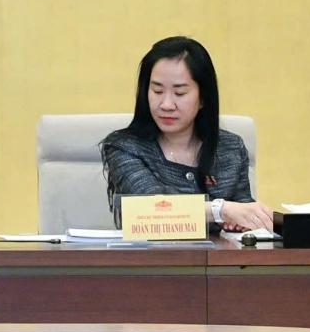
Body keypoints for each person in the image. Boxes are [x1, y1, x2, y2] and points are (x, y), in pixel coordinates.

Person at [100, 36, 272, 233]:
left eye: (179, 93)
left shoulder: (230, 148)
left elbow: (243, 214)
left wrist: (244, 221)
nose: (165, 104)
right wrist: (221, 211)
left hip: (218, 263)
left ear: (203, 98)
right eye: (157, 91)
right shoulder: (124, 147)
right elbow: (148, 211)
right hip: (152, 261)